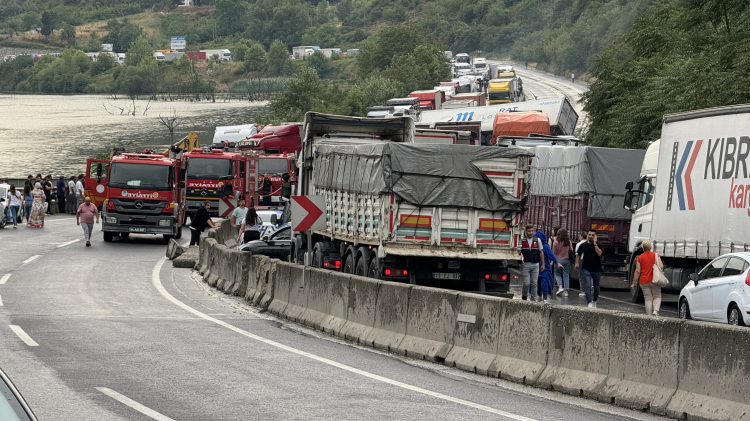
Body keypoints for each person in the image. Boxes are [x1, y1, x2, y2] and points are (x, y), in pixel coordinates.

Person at [632, 240, 664, 316]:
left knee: (648, 298)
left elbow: (637, 271)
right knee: (657, 296)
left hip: (644, 281)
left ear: (643, 248)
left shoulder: (640, 258)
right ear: (650, 247)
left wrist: (634, 283)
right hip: (655, 280)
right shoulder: (656, 255)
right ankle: (655, 311)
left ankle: (648, 315)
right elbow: (661, 266)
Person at [576, 229, 603, 307]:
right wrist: (577, 263)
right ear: (587, 235)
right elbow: (578, 254)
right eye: (589, 235)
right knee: (587, 285)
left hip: (597, 269)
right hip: (586, 268)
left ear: (595, 236)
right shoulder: (583, 245)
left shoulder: (599, 245)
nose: (591, 236)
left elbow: (600, 253)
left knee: (596, 287)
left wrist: (595, 244)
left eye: (593, 235)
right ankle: (589, 301)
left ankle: (594, 300)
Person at [535, 230, 563, 303]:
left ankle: (538, 295)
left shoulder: (534, 246)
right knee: (545, 280)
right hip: (545, 266)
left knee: (537, 281)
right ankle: (544, 298)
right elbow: (551, 255)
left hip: (535, 265)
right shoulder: (545, 246)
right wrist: (557, 262)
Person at [520, 225, 545, 301]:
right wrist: (520, 261)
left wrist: (543, 264)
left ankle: (534, 299)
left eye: (532, 231)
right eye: (529, 231)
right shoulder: (522, 240)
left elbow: (541, 252)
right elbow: (518, 252)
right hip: (525, 264)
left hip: (535, 264)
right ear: (526, 232)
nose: (531, 233)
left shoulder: (537, 240)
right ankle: (524, 295)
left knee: (534, 283)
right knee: (526, 283)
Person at [552, 228, 573, 297]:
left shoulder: (555, 242)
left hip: (558, 260)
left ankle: (560, 287)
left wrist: (553, 261)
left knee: (557, 274)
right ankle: (566, 291)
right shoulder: (568, 242)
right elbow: (571, 250)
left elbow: (553, 253)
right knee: (566, 275)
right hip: (566, 260)